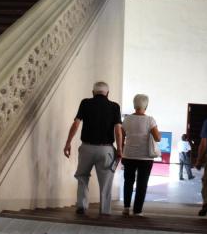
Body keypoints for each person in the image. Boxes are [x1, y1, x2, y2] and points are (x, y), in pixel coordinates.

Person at [63, 82, 123, 215]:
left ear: (93, 92)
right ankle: (105, 211)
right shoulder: (114, 106)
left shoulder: (85, 103)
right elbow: (118, 131)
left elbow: (76, 124)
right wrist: (119, 149)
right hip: (106, 149)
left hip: (86, 148)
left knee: (82, 176)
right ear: (108, 93)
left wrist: (68, 143)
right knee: (106, 182)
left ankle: (82, 206)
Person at [121, 94, 161, 216]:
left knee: (128, 181)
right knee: (142, 183)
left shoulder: (126, 119)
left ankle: (126, 208)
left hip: (128, 155)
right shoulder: (150, 120)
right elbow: (158, 138)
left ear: (134, 104)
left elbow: (121, 137)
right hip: (145, 157)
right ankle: (137, 211)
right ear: (146, 105)